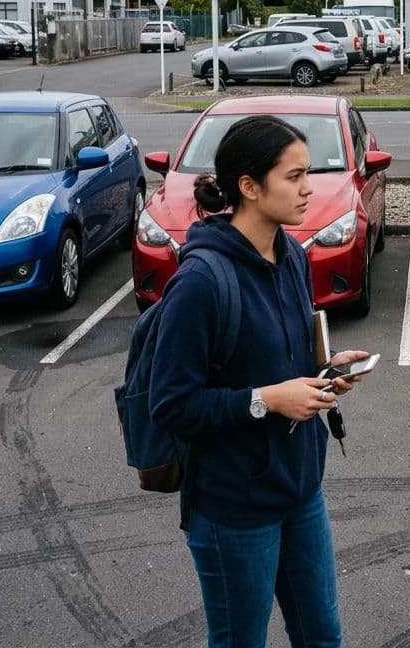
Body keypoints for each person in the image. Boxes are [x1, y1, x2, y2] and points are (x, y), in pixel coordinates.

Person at [149, 115, 369, 648]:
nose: (308, 187)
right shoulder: (200, 283)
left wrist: (325, 373)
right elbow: (172, 405)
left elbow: (283, 359)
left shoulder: (290, 254)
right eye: (293, 176)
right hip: (232, 509)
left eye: (308, 172)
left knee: (322, 637)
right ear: (248, 186)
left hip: (299, 490)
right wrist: (268, 400)